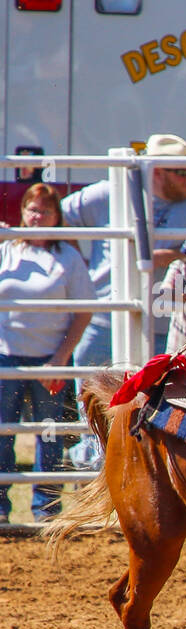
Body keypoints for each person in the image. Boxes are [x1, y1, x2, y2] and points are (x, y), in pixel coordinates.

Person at [61, 132, 186, 365]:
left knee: (159, 397)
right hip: (104, 318)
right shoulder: (109, 192)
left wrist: (175, 256)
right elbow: (60, 218)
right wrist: (77, 263)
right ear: (158, 171)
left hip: (165, 321)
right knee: (93, 396)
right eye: (183, 172)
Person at [0, 183, 95, 523]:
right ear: (23, 213)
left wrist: (59, 359)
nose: (38, 217)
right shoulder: (7, 249)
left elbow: (84, 311)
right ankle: (0, 509)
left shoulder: (67, 257)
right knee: (2, 434)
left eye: (46, 210)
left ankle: (47, 511)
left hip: (51, 358)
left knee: (51, 436)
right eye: (32, 209)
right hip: (6, 357)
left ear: (57, 217)